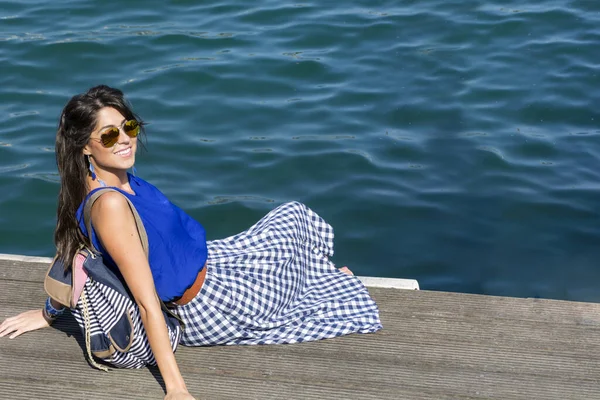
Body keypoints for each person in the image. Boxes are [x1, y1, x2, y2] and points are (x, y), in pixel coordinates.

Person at [0, 85, 382, 400]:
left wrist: (52, 313)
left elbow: (77, 253)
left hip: (214, 259)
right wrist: (177, 390)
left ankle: (318, 274)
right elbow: (147, 302)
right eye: (110, 135)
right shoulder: (111, 204)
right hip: (209, 299)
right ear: (86, 146)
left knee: (293, 216)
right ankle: (323, 279)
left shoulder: (107, 179)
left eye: (128, 126)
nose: (126, 140)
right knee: (314, 287)